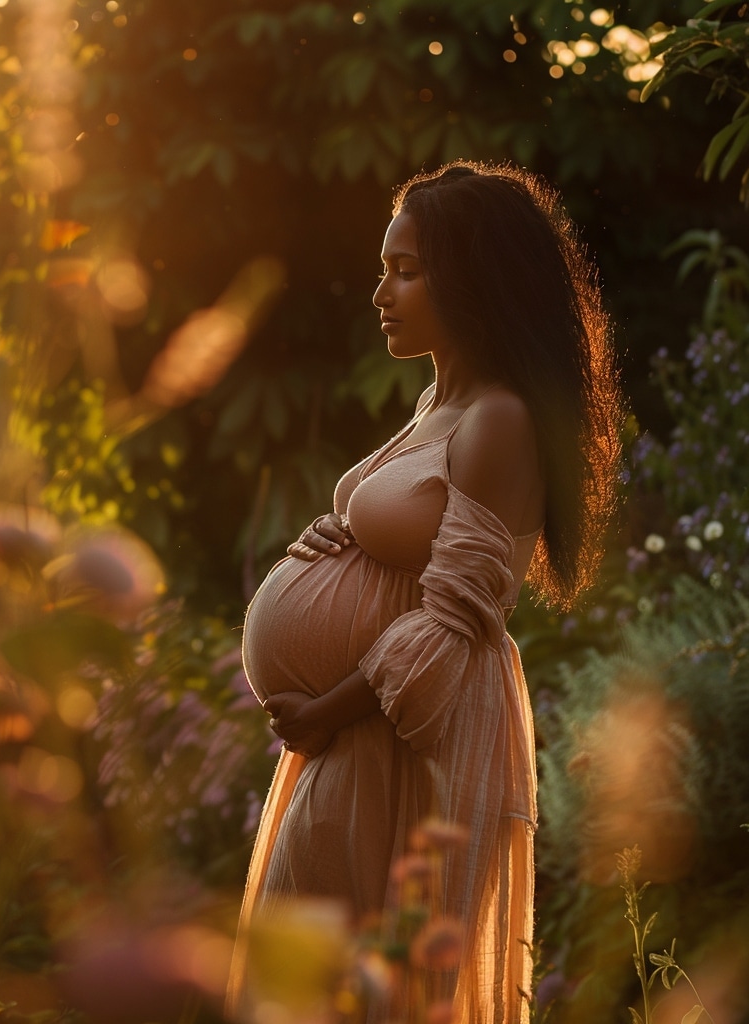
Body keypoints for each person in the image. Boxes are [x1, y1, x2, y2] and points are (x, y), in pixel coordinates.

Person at [226, 161, 621, 1022]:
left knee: (358, 986)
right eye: (384, 266)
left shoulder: (500, 419)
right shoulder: (435, 404)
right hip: (360, 731)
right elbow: (413, 549)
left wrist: (330, 707)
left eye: (407, 269)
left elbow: (458, 617)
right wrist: (340, 538)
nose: (382, 291)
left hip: (413, 731)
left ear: (473, 278)